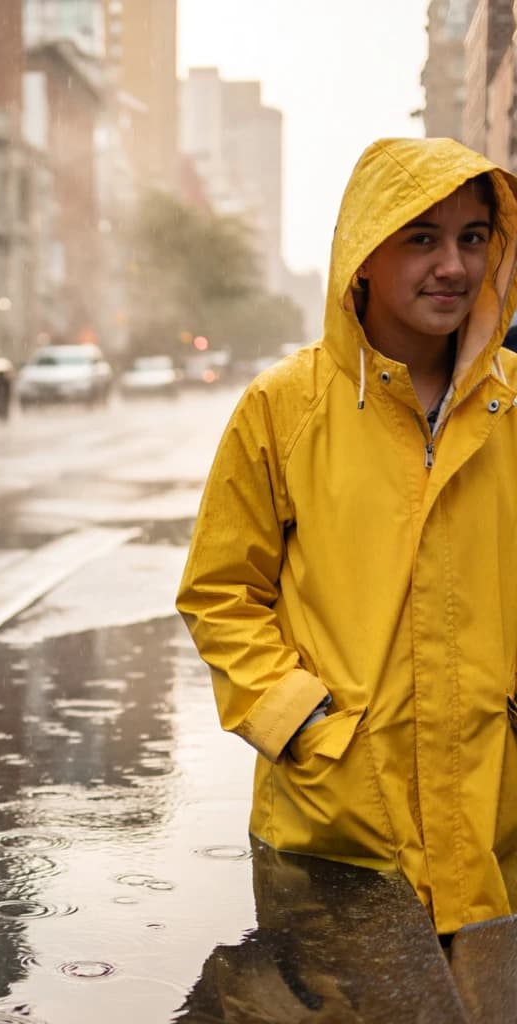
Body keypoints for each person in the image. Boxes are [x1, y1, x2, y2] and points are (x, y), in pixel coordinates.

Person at [176, 137, 517, 941]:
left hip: (494, 820)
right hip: (333, 827)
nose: (453, 266)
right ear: (364, 257)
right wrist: (301, 723)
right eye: (422, 238)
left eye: (473, 237)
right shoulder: (284, 406)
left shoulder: (511, 406)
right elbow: (220, 594)